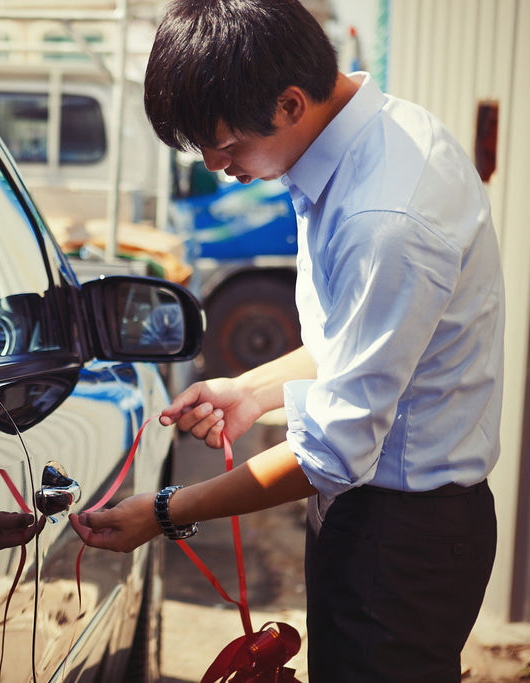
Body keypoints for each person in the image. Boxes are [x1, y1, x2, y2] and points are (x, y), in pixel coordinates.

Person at [70, 1, 504, 680]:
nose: (217, 165)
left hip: (402, 538)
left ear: (291, 102)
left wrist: (164, 510)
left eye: (228, 145)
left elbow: (330, 454)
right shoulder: (375, 141)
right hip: (381, 520)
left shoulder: (383, 217)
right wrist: (248, 390)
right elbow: (357, 343)